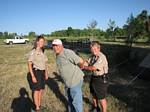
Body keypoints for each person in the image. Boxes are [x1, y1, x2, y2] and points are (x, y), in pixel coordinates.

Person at [52, 39, 84, 112]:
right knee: (69, 100)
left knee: (76, 102)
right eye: (53, 46)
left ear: (61, 46)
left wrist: (81, 66)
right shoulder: (58, 54)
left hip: (75, 81)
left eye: (57, 45)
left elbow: (80, 61)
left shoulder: (67, 52)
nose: (55, 47)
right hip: (68, 82)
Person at [83, 41, 109, 112]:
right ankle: (96, 108)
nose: (93, 50)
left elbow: (93, 68)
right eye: (91, 49)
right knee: (93, 93)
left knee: (101, 97)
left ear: (99, 48)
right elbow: (86, 62)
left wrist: (84, 67)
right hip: (94, 77)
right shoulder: (92, 56)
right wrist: (82, 64)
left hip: (101, 79)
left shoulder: (101, 57)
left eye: (95, 49)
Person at [27, 36, 48, 111]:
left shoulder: (43, 51)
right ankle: (37, 108)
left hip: (42, 72)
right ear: (37, 42)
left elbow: (45, 63)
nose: (42, 43)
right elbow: (29, 64)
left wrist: (46, 73)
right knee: (36, 90)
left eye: (43, 41)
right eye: (41, 41)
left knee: (41, 90)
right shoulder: (33, 52)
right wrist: (32, 76)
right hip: (36, 72)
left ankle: (39, 104)